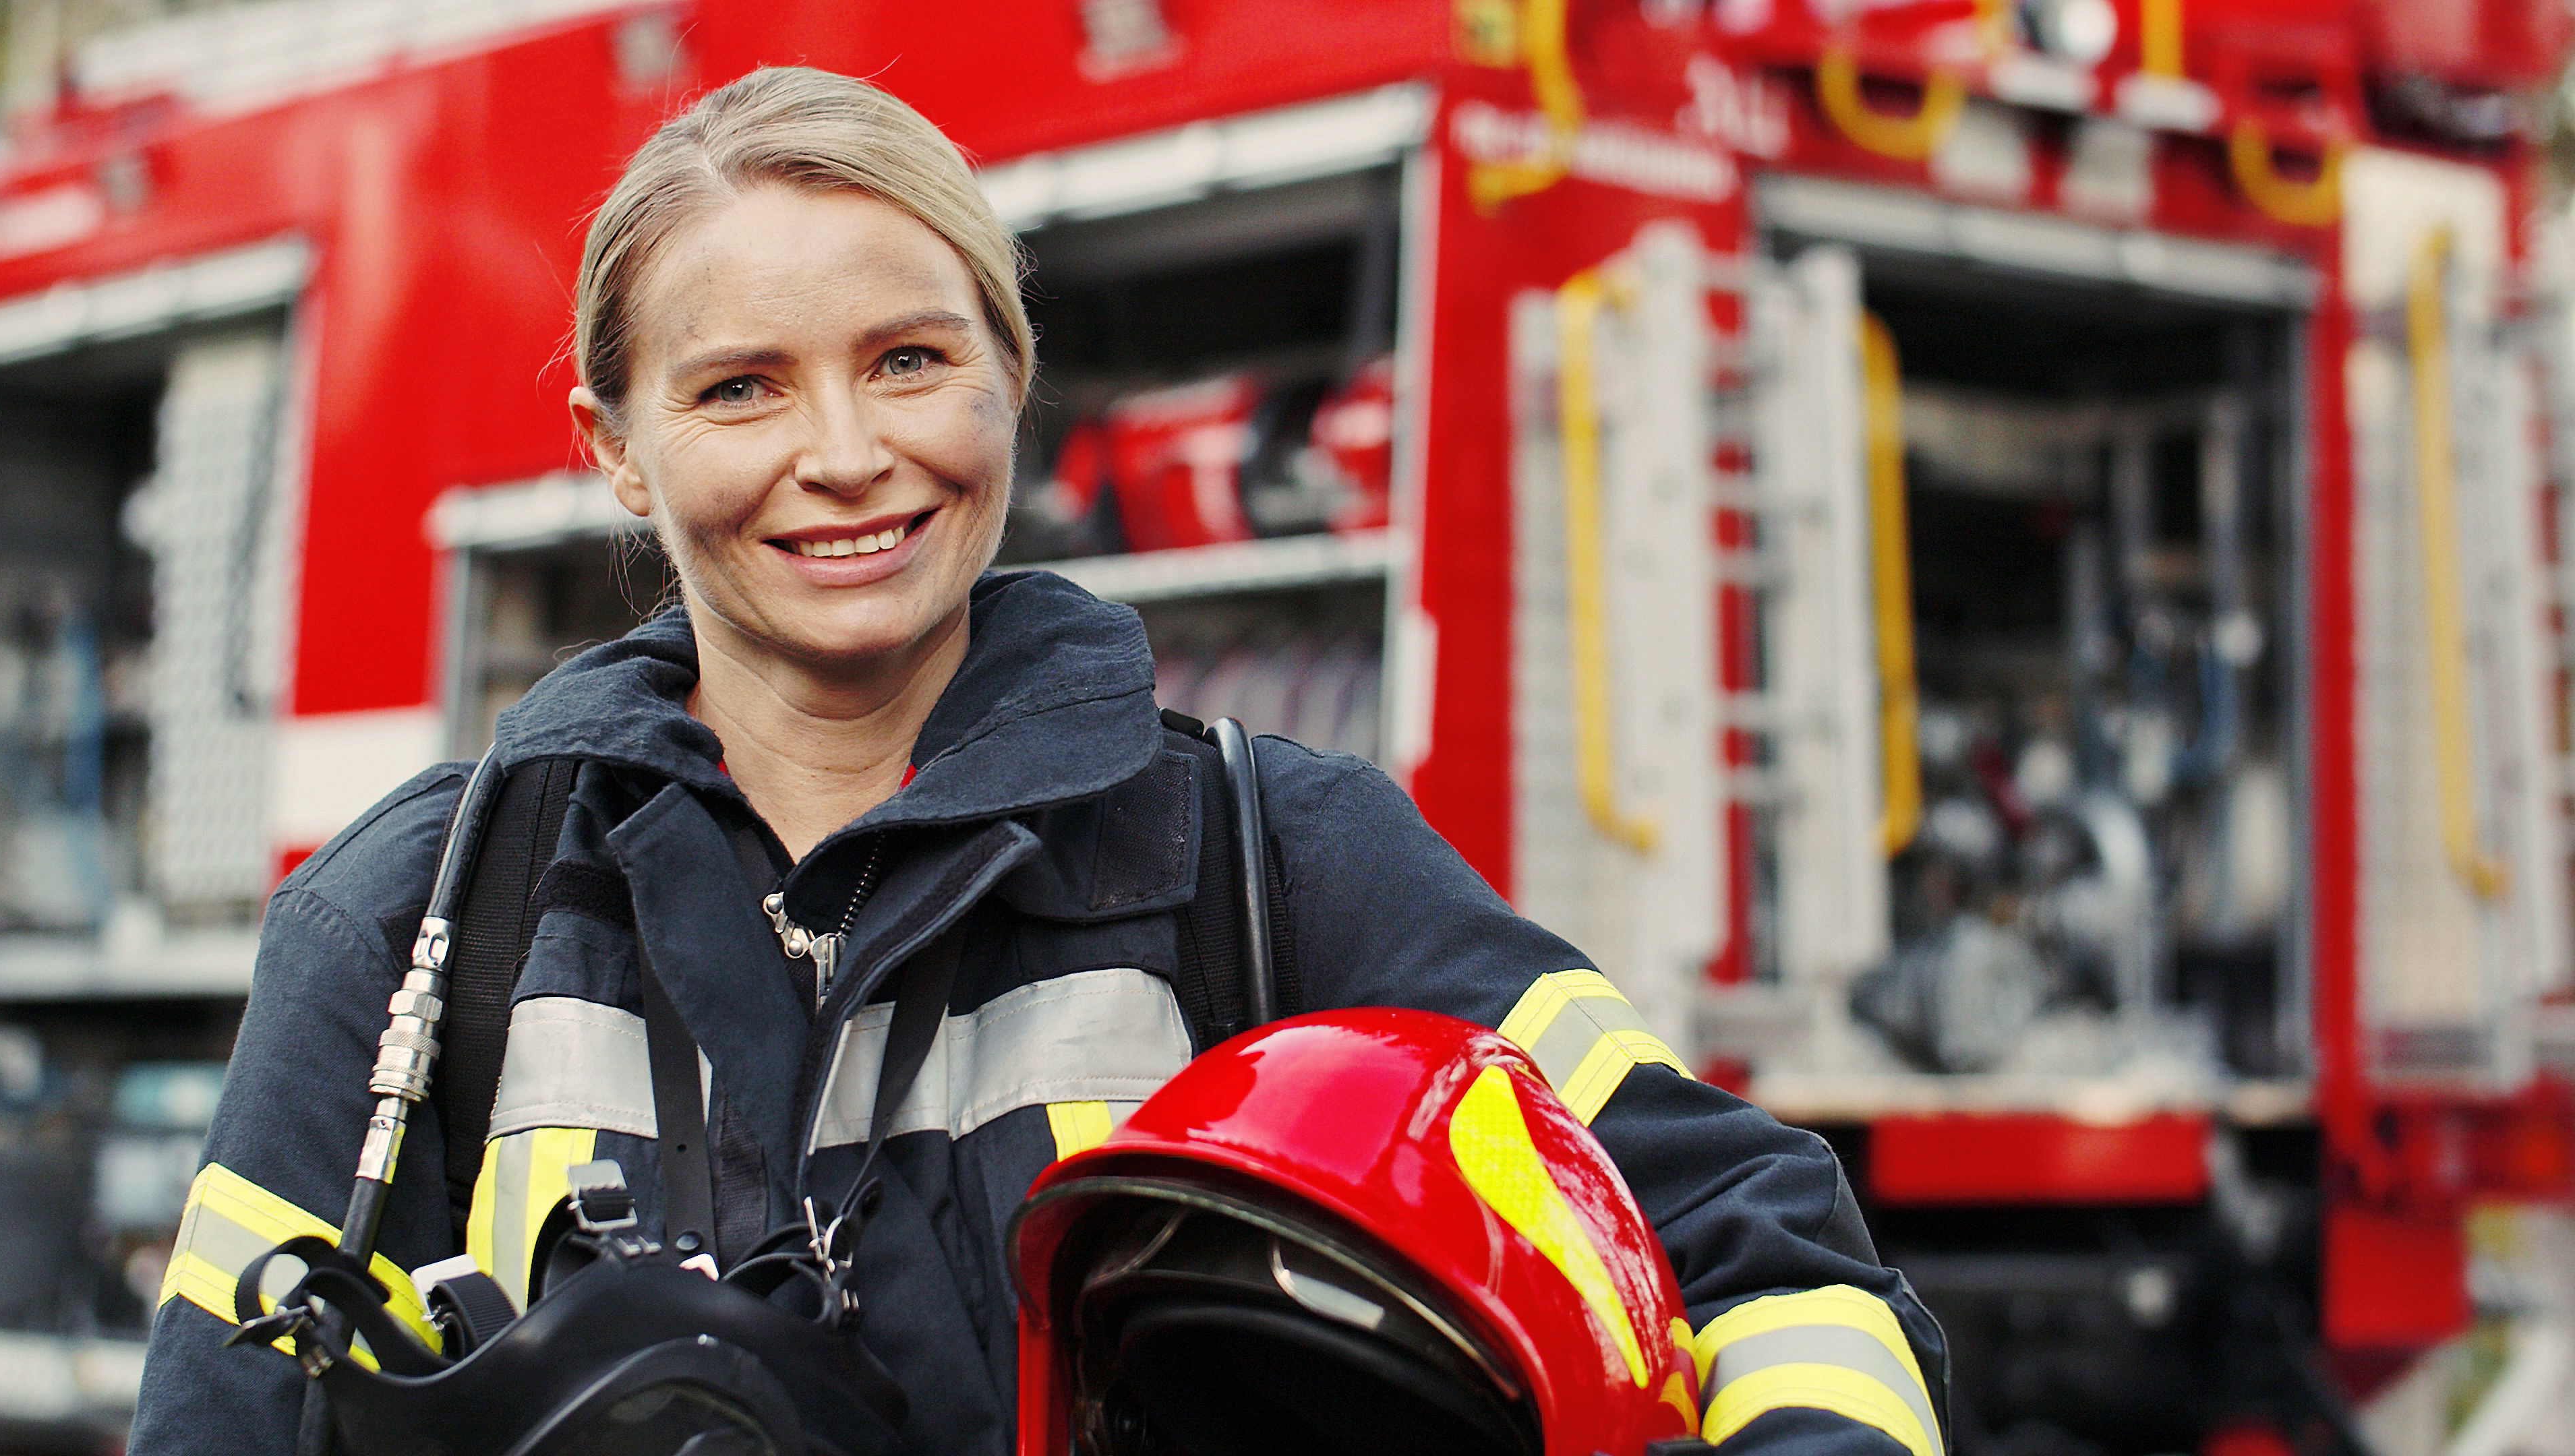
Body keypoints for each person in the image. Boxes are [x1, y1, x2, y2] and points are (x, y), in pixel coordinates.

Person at [132, 66, 1947, 1456]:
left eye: (909, 360)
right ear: (617, 447)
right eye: (740, 386)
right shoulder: (414, 926)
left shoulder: (1274, 862)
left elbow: (1766, 1256)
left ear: (1011, 370)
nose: (844, 454)